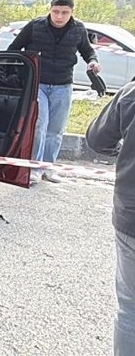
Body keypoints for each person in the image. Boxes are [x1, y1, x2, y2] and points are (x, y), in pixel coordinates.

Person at [8, 0, 101, 184]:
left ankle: (48, 168)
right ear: (50, 10)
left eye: (64, 13)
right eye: (56, 12)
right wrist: (17, 73)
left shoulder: (78, 29)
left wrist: (93, 62)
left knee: (56, 130)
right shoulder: (35, 26)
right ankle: (33, 168)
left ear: (71, 12)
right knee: (40, 127)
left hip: (63, 85)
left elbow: (87, 51)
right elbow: (14, 48)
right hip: (37, 84)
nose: (59, 16)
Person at [85, 80, 135, 355]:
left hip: (132, 217)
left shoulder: (131, 94)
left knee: (130, 309)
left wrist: (123, 153)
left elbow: (97, 140)